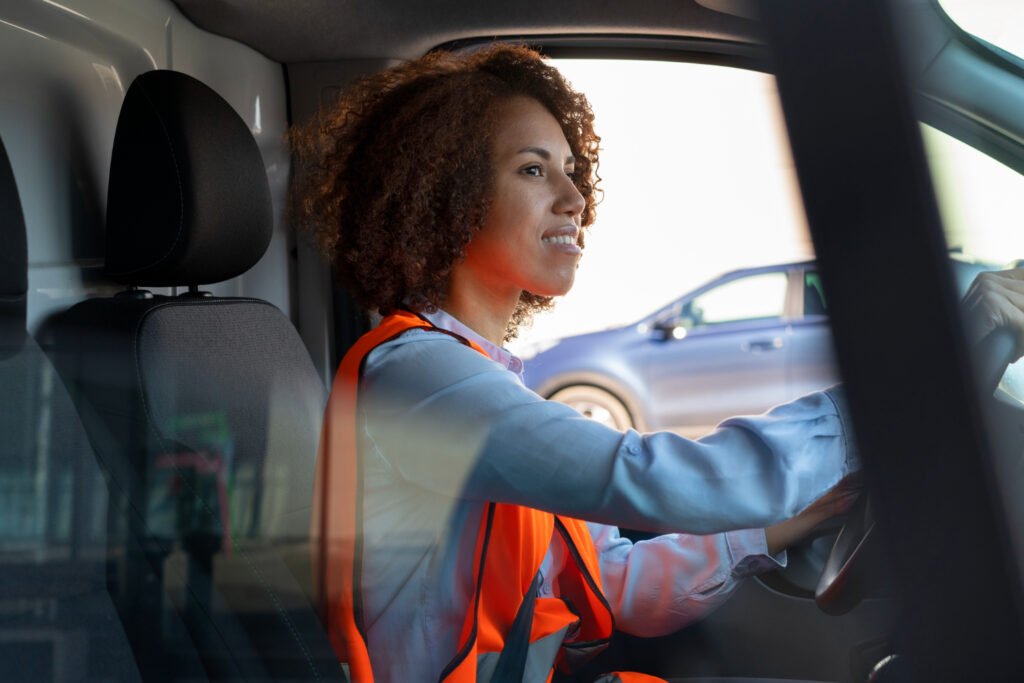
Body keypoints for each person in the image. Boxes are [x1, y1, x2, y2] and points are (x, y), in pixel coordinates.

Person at [289, 44, 1020, 683]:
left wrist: (782, 526)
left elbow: (617, 582)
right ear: (446, 195)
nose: (575, 198)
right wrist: (898, 384)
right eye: (534, 169)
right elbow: (649, 478)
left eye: (571, 171)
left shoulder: (479, 377)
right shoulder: (417, 377)